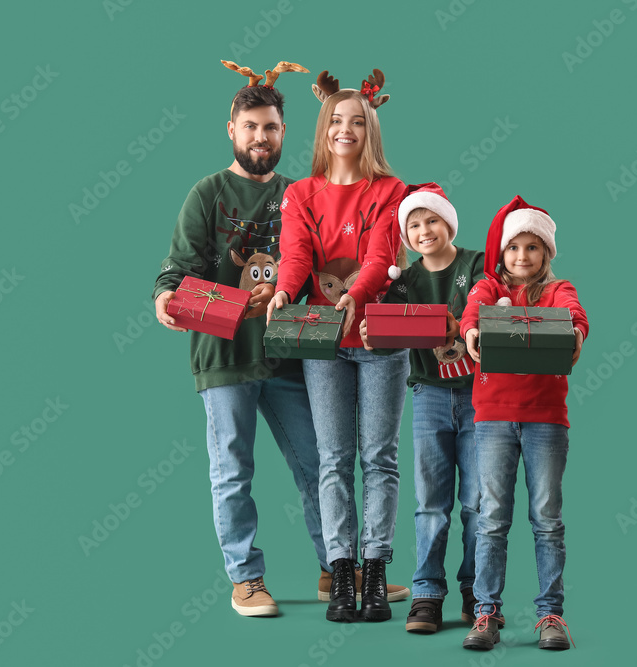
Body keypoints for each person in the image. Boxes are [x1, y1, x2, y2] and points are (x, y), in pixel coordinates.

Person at [152, 61, 329, 618]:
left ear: (284, 132)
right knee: (232, 468)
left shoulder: (301, 194)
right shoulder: (207, 193)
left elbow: (324, 271)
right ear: (231, 129)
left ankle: (338, 571)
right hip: (224, 355)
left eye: (271, 127)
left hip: (287, 353)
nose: (260, 137)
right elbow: (177, 270)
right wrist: (163, 298)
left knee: (321, 463)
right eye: (250, 126)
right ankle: (246, 580)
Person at [267, 68, 410, 623]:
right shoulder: (302, 194)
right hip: (321, 343)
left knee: (380, 457)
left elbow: (380, 256)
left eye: (358, 122)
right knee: (333, 459)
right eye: (337, 121)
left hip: (379, 339)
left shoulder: (391, 192)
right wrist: (282, 289)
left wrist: (357, 293)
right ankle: (341, 573)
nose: (346, 130)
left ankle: (375, 572)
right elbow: (298, 256)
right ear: (324, 129)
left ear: (370, 132)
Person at [458, 196, 588, 651]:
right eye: (514, 247)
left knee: (547, 518)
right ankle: (486, 613)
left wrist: (574, 331)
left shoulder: (558, 290)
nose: (522, 257)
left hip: (546, 420)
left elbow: (575, 312)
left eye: (533, 248)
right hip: (493, 418)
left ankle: (550, 614)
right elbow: (471, 313)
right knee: (491, 518)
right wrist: (472, 332)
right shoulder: (488, 288)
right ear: (502, 253)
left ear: (546, 254)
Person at [358, 183, 485, 633]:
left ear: (448, 222)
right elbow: (384, 329)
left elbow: (488, 304)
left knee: (477, 502)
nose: (424, 230)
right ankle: (428, 594)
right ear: (406, 237)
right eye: (413, 225)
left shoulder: (477, 265)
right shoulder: (404, 282)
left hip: (479, 395)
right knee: (431, 502)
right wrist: (374, 334)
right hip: (429, 393)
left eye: (431, 219)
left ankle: (476, 591)